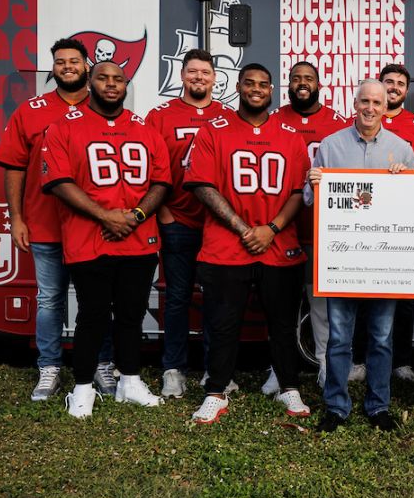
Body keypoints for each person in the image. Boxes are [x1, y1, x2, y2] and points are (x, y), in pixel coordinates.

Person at [40, 62, 171, 418]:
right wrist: (106, 215)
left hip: (138, 238)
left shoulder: (145, 129)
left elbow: (161, 181)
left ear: (126, 85)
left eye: (118, 79)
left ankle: (129, 381)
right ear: (89, 80)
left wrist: (137, 216)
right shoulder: (64, 127)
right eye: (103, 78)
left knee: (131, 316)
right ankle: (82, 388)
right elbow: (60, 182)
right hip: (89, 238)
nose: (111, 84)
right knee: (92, 315)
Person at [184, 63, 312, 424]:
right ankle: (216, 391)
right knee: (223, 324)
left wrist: (270, 228)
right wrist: (244, 228)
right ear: (239, 86)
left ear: (272, 90)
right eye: (250, 83)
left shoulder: (289, 135)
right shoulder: (213, 130)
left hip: (278, 243)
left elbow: (296, 192)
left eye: (264, 84)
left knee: (283, 324)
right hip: (227, 245)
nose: (257, 89)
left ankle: (289, 386)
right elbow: (203, 185)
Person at [0, 38, 113, 402]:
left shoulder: (105, 108)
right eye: (61, 62)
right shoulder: (31, 110)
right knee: (49, 300)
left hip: (93, 225)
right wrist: (16, 218)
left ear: (87, 67)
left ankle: (103, 364)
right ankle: (49, 368)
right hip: (45, 224)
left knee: (97, 301)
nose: (68, 67)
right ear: (53, 68)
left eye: (74, 61)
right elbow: (14, 167)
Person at [304, 79, 414, 433]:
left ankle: (378, 406)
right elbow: (310, 201)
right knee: (340, 338)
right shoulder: (331, 146)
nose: (370, 108)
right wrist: (313, 182)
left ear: (386, 108)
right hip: (342, 260)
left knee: (382, 338)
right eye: (364, 101)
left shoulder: (401, 149)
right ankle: (336, 406)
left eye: (377, 102)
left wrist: (405, 182)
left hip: (384, 262)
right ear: (355, 104)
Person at [144, 49, 227, 398]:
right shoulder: (159, 116)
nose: (199, 78)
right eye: (192, 72)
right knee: (176, 298)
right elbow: (147, 167)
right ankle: (173, 369)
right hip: (176, 218)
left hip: (216, 226)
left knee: (217, 299)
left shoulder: (227, 116)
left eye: (205, 73)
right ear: (181, 76)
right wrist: (162, 213)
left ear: (214, 78)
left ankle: (216, 370)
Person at [264, 61, 349, 397]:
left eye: (308, 79)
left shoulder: (337, 124)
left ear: (319, 84)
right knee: (280, 305)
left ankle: (327, 364)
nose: (302, 84)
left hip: (319, 229)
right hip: (281, 227)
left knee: (321, 303)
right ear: (288, 84)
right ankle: (277, 367)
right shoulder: (273, 120)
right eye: (296, 78)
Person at [364, 63, 414, 383]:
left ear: (406, 91)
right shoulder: (363, 122)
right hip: (366, 220)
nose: (393, 87)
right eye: (388, 82)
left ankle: (402, 361)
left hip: (403, 223)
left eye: (399, 84)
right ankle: (360, 359)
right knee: (363, 292)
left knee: (404, 295)